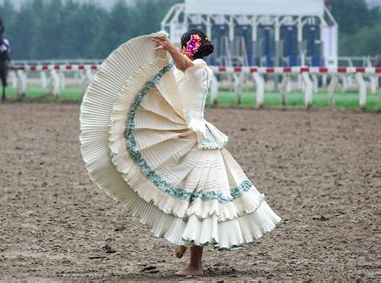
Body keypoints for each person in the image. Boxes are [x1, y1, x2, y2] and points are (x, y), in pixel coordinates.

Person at [80, 29, 282, 277]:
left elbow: (184, 63)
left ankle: (195, 264)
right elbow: (170, 79)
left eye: (182, 44)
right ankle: (185, 239)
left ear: (189, 46)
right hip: (180, 133)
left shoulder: (200, 67)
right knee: (182, 191)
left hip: (199, 140)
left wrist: (170, 48)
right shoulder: (179, 68)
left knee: (201, 200)